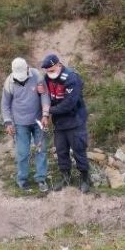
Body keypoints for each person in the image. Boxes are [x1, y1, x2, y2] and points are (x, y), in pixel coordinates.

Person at [41, 54, 90, 193]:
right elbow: (45, 95)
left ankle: (85, 178)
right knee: (61, 151)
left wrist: (49, 110)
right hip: (60, 123)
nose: (49, 73)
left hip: (75, 120)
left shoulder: (71, 78)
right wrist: (40, 92)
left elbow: (69, 104)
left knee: (79, 150)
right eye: (47, 71)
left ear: (59, 65)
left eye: (51, 70)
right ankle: (65, 177)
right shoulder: (47, 79)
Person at [1, 57, 51, 192]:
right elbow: (5, 104)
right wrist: (8, 122)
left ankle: (41, 178)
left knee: (41, 150)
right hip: (20, 123)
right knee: (23, 153)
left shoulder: (37, 76)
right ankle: (22, 179)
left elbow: (45, 95)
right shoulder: (9, 82)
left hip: (38, 121)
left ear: (27, 68)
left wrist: (45, 114)